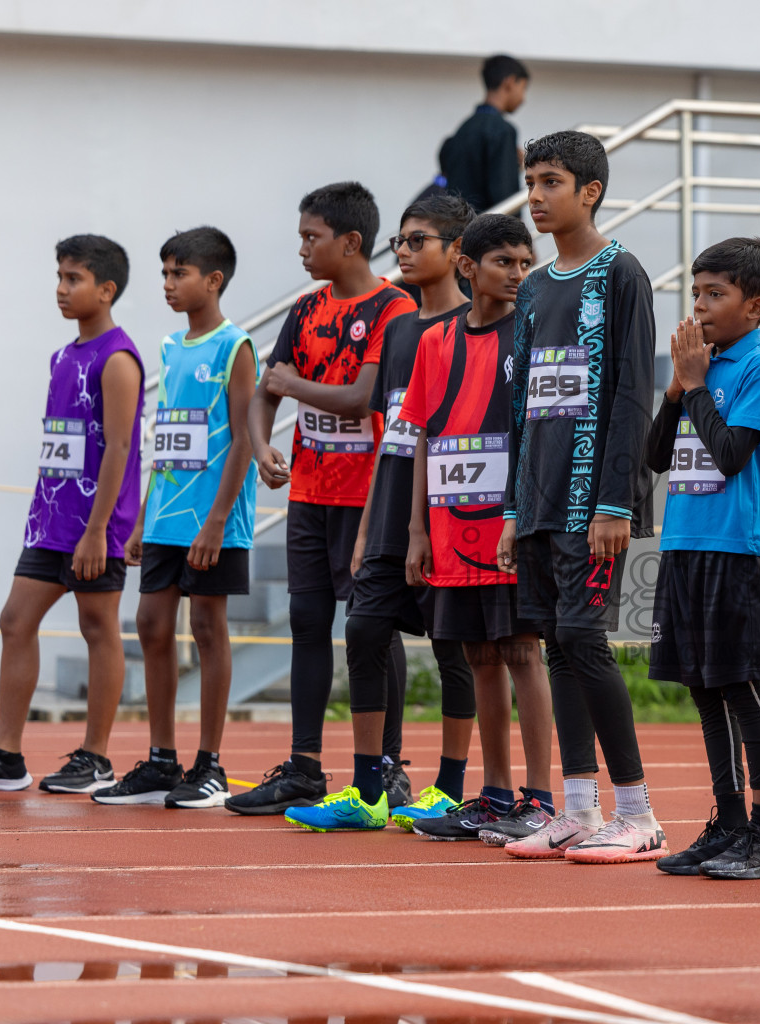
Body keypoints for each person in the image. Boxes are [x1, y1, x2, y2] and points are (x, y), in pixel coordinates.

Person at [495, 130, 666, 863]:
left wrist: (617, 501)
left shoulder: (621, 273)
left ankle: (639, 812)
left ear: (589, 191)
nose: (534, 196)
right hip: (536, 500)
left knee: (587, 642)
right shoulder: (532, 289)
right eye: (530, 182)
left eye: (550, 182)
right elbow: (522, 404)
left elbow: (633, 392)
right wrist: (509, 507)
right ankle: (576, 807)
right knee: (557, 645)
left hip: (591, 503)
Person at [287, 193, 482, 833]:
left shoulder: (478, 327)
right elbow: (395, 431)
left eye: (417, 240)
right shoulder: (399, 329)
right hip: (391, 504)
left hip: (453, 514)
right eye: (398, 240)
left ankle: (450, 788)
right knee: (364, 629)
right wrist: (372, 522)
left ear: (457, 252)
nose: (401, 251)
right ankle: (369, 789)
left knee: (455, 649)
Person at [226, 182, 418, 816]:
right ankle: (304, 764)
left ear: (351, 242)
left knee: (372, 629)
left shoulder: (394, 309)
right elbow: (266, 392)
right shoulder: (307, 309)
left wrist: (291, 384)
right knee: (308, 623)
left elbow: (361, 396)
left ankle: (386, 766)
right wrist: (260, 449)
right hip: (309, 490)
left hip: (370, 498)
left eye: (312, 237)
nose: (302, 249)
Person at [0, 236, 143, 795]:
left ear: (106, 289)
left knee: (97, 627)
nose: (60, 288)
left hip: (96, 525)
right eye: (59, 276)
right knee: (15, 620)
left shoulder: (118, 359)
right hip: (52, 521)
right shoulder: (62, 356)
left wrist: (101, 529)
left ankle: (96, 757)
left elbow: (121, 448)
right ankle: (6, 756)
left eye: (73, 278)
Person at [394, 214, 558, 843]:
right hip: (449, 528)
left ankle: (539, 799)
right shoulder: (436, 342)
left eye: (525, 262)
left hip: (510, 531)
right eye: (504, 262)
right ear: (468, 264)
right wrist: (416, 530)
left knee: (521, 652)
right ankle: (493, 795)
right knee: (479, 657)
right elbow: (424, 439)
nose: (518, 274)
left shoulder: (534, 334)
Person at [645, 237, 760, 880]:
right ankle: (728, 820)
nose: (700, 307)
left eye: (716, 294)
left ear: (754, 306)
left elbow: (732, 454)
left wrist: (699, 387)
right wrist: (678, 391)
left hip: (735, 546)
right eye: (697, 293)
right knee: (703, 687)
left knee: (739, 683)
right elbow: (655, 456)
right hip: (684, 541)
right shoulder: (696, 369)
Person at [95, 228, 258, 808]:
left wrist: (217, 519)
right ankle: (162, 759)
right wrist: (141, 519)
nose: (167, 284)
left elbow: (244, 436)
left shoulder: (233, 345)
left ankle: (208, 764)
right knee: (151, 626)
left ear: (212, 280)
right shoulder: (169, 348)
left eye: (178, 273)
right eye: (164, 273)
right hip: (165, 516)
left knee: (208, 630)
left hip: (212, 519)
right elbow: (165, 445)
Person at [438, 55, 530, 214]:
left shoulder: (464, 128)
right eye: (522, 88)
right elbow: (504, 195)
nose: (523, 98)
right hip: (487, 232)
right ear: (509, 82)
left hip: (459, 226)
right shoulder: (502, 130)